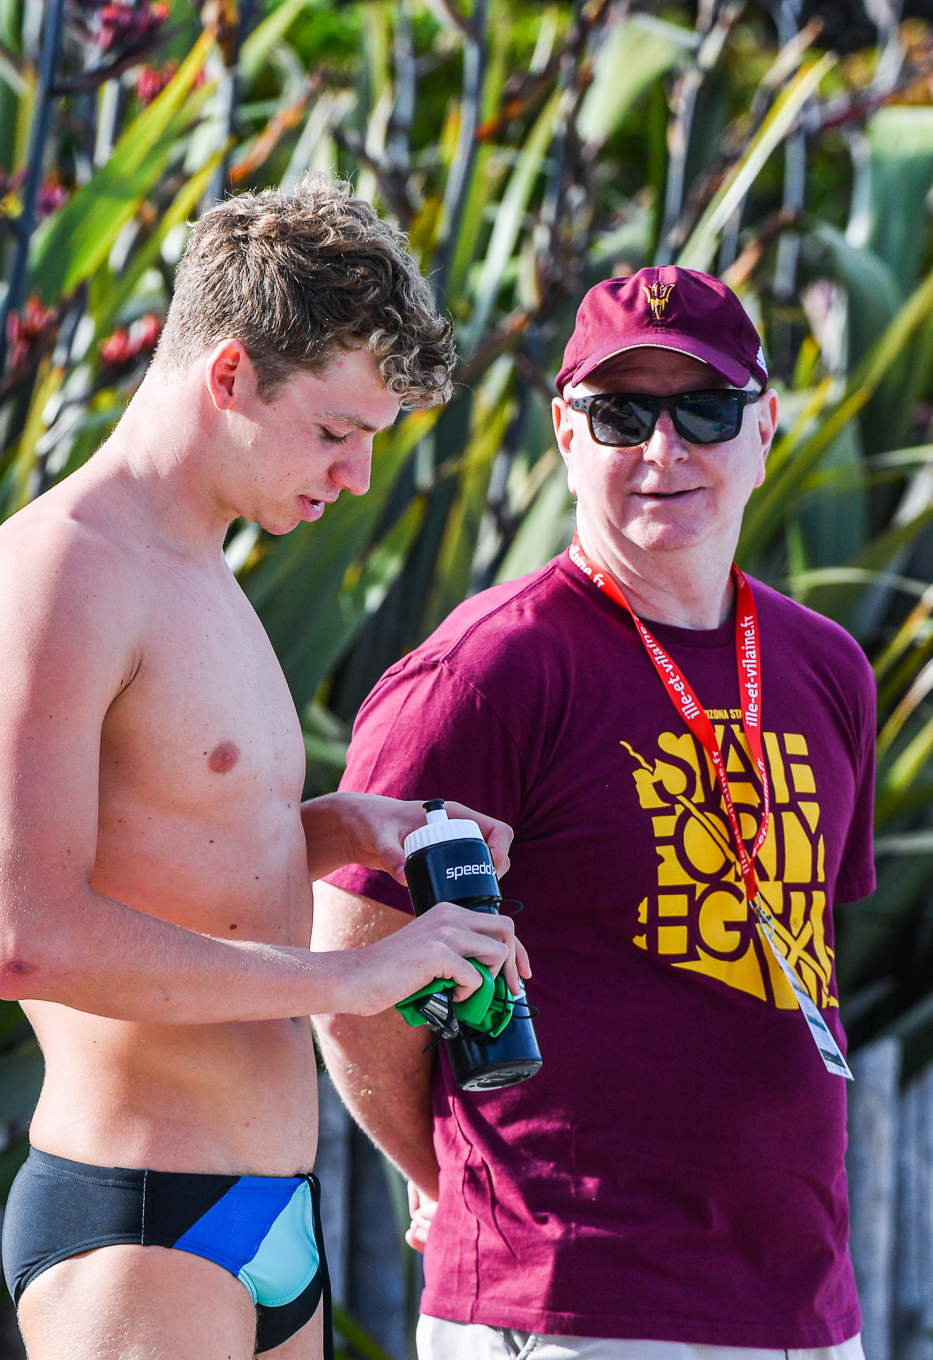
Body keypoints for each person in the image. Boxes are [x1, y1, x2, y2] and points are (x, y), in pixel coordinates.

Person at [0, 180, 530, 1360]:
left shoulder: (205, 571)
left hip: (270, 1219)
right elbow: (24, 938)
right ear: (230, 376)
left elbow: (168, 861)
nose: (355, 477)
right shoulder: (59, 573)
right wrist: (352, 980)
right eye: (335, 432)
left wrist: (344, 829)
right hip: (139, 1221)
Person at [314, 266, 878, 1360]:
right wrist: (452, 1182)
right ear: (567, 437)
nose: (664, 452)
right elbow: (353, 987)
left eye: (705, 410)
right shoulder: (486, 677)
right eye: (624, 415)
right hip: (569, 1303)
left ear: (766, 427)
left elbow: (802, 950)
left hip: (804, 1307)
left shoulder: (827, 668)